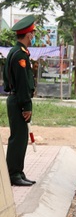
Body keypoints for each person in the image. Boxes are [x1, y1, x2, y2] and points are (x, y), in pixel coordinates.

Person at [2, 15, 38, 187]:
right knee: (18, 138)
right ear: (28, 35)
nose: (33, 36)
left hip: (15, 98)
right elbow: (22, 83)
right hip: (18, 101)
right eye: (33, 33)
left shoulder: (14, 52)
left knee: (21, 138)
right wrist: (26, 105)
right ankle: (13, 174)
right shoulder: (20, 56)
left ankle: (18, 171)